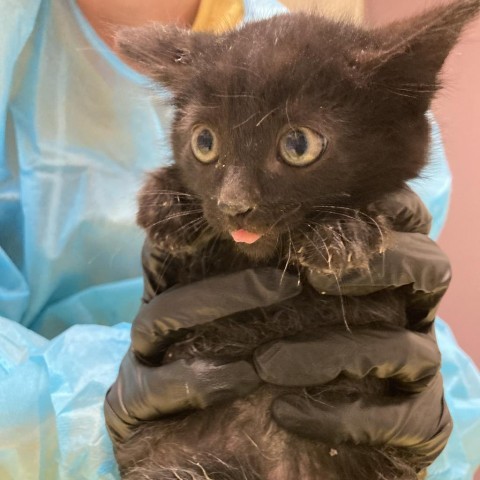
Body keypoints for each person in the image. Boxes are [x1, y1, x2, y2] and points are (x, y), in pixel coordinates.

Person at [0, 0, 478, 479]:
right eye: (205, 143)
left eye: (298, 146)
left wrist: (428, 423)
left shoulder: (309, 56)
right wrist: (87, 408)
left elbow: (444, 390)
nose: (233, 202)